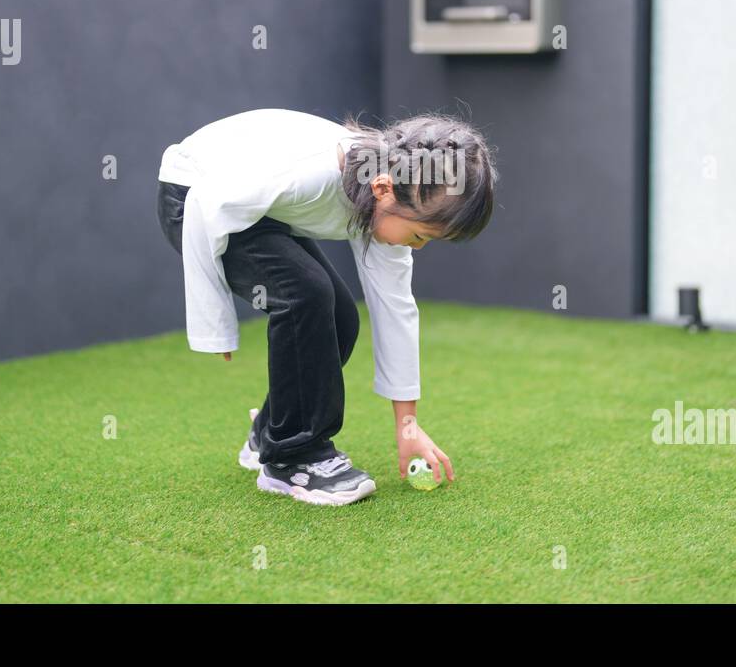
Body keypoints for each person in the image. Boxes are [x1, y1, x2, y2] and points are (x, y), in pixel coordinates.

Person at [155, 107, 498, 506]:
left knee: (340, 317)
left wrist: (408, 426)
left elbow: (395, 309)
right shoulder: (313, 176)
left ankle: (270, 433)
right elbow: (206, 206)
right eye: (420, 235)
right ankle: (292, 459)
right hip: (195, 196)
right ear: (383, 189)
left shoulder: (391, 195)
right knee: (306, 294)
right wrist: (215, 324)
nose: (418, 247)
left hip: (257, 207)